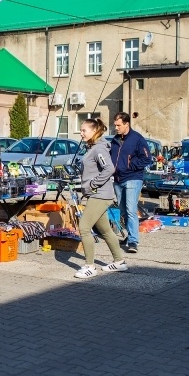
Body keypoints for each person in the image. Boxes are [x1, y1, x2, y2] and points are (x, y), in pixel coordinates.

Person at [75, 118, 129, 279]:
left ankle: (90, 267)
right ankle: (119, 261)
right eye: (81, 130)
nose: (81, 133)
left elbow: (109, 168)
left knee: (84, 228)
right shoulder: (93, 147)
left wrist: (92, 184)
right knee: (105, 230)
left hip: (99, 195)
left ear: (94, 131)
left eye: (84, 130)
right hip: (97, 194)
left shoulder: (99, 148)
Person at [110, 112, 152, 253]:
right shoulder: (115, 140)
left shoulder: (137, 139)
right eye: (115, 125)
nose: (116, 127)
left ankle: (133, 241)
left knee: (130, 209)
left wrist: (130, 165)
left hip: (133, 178)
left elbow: (147, 159)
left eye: (118, 125)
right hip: (118, 180)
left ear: (127, 124)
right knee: (123, 210)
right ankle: (130, 235)